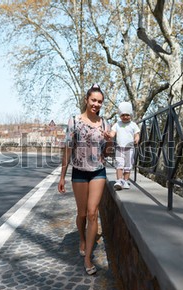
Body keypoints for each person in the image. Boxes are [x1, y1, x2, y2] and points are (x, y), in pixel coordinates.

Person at [57, 84, 112, 275]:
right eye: (93, 100)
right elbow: (67, 149)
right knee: (81, 214)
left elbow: (108, 153)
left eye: (100, 102)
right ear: (87, 100)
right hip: (79, 171)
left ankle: (88, 257)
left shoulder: (105, 124)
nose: (96, 104)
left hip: (98, 171)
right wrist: (62, 176)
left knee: (92, 213)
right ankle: (82, 238)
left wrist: (110, 141)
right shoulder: (74, 121)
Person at [109, 101, 140, 190]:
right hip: (119, 148)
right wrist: (109, 135)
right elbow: (112, 133)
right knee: (119, 164)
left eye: (127, 115)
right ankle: (119, 180)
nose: (125, 117)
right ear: (119, 116)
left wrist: (136, 138)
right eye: (122, 115)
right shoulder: (117, 124)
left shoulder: (133, 124)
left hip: (129, 149)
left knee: (128, 165)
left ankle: (125, 181)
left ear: (130, 115)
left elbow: (137, 133)